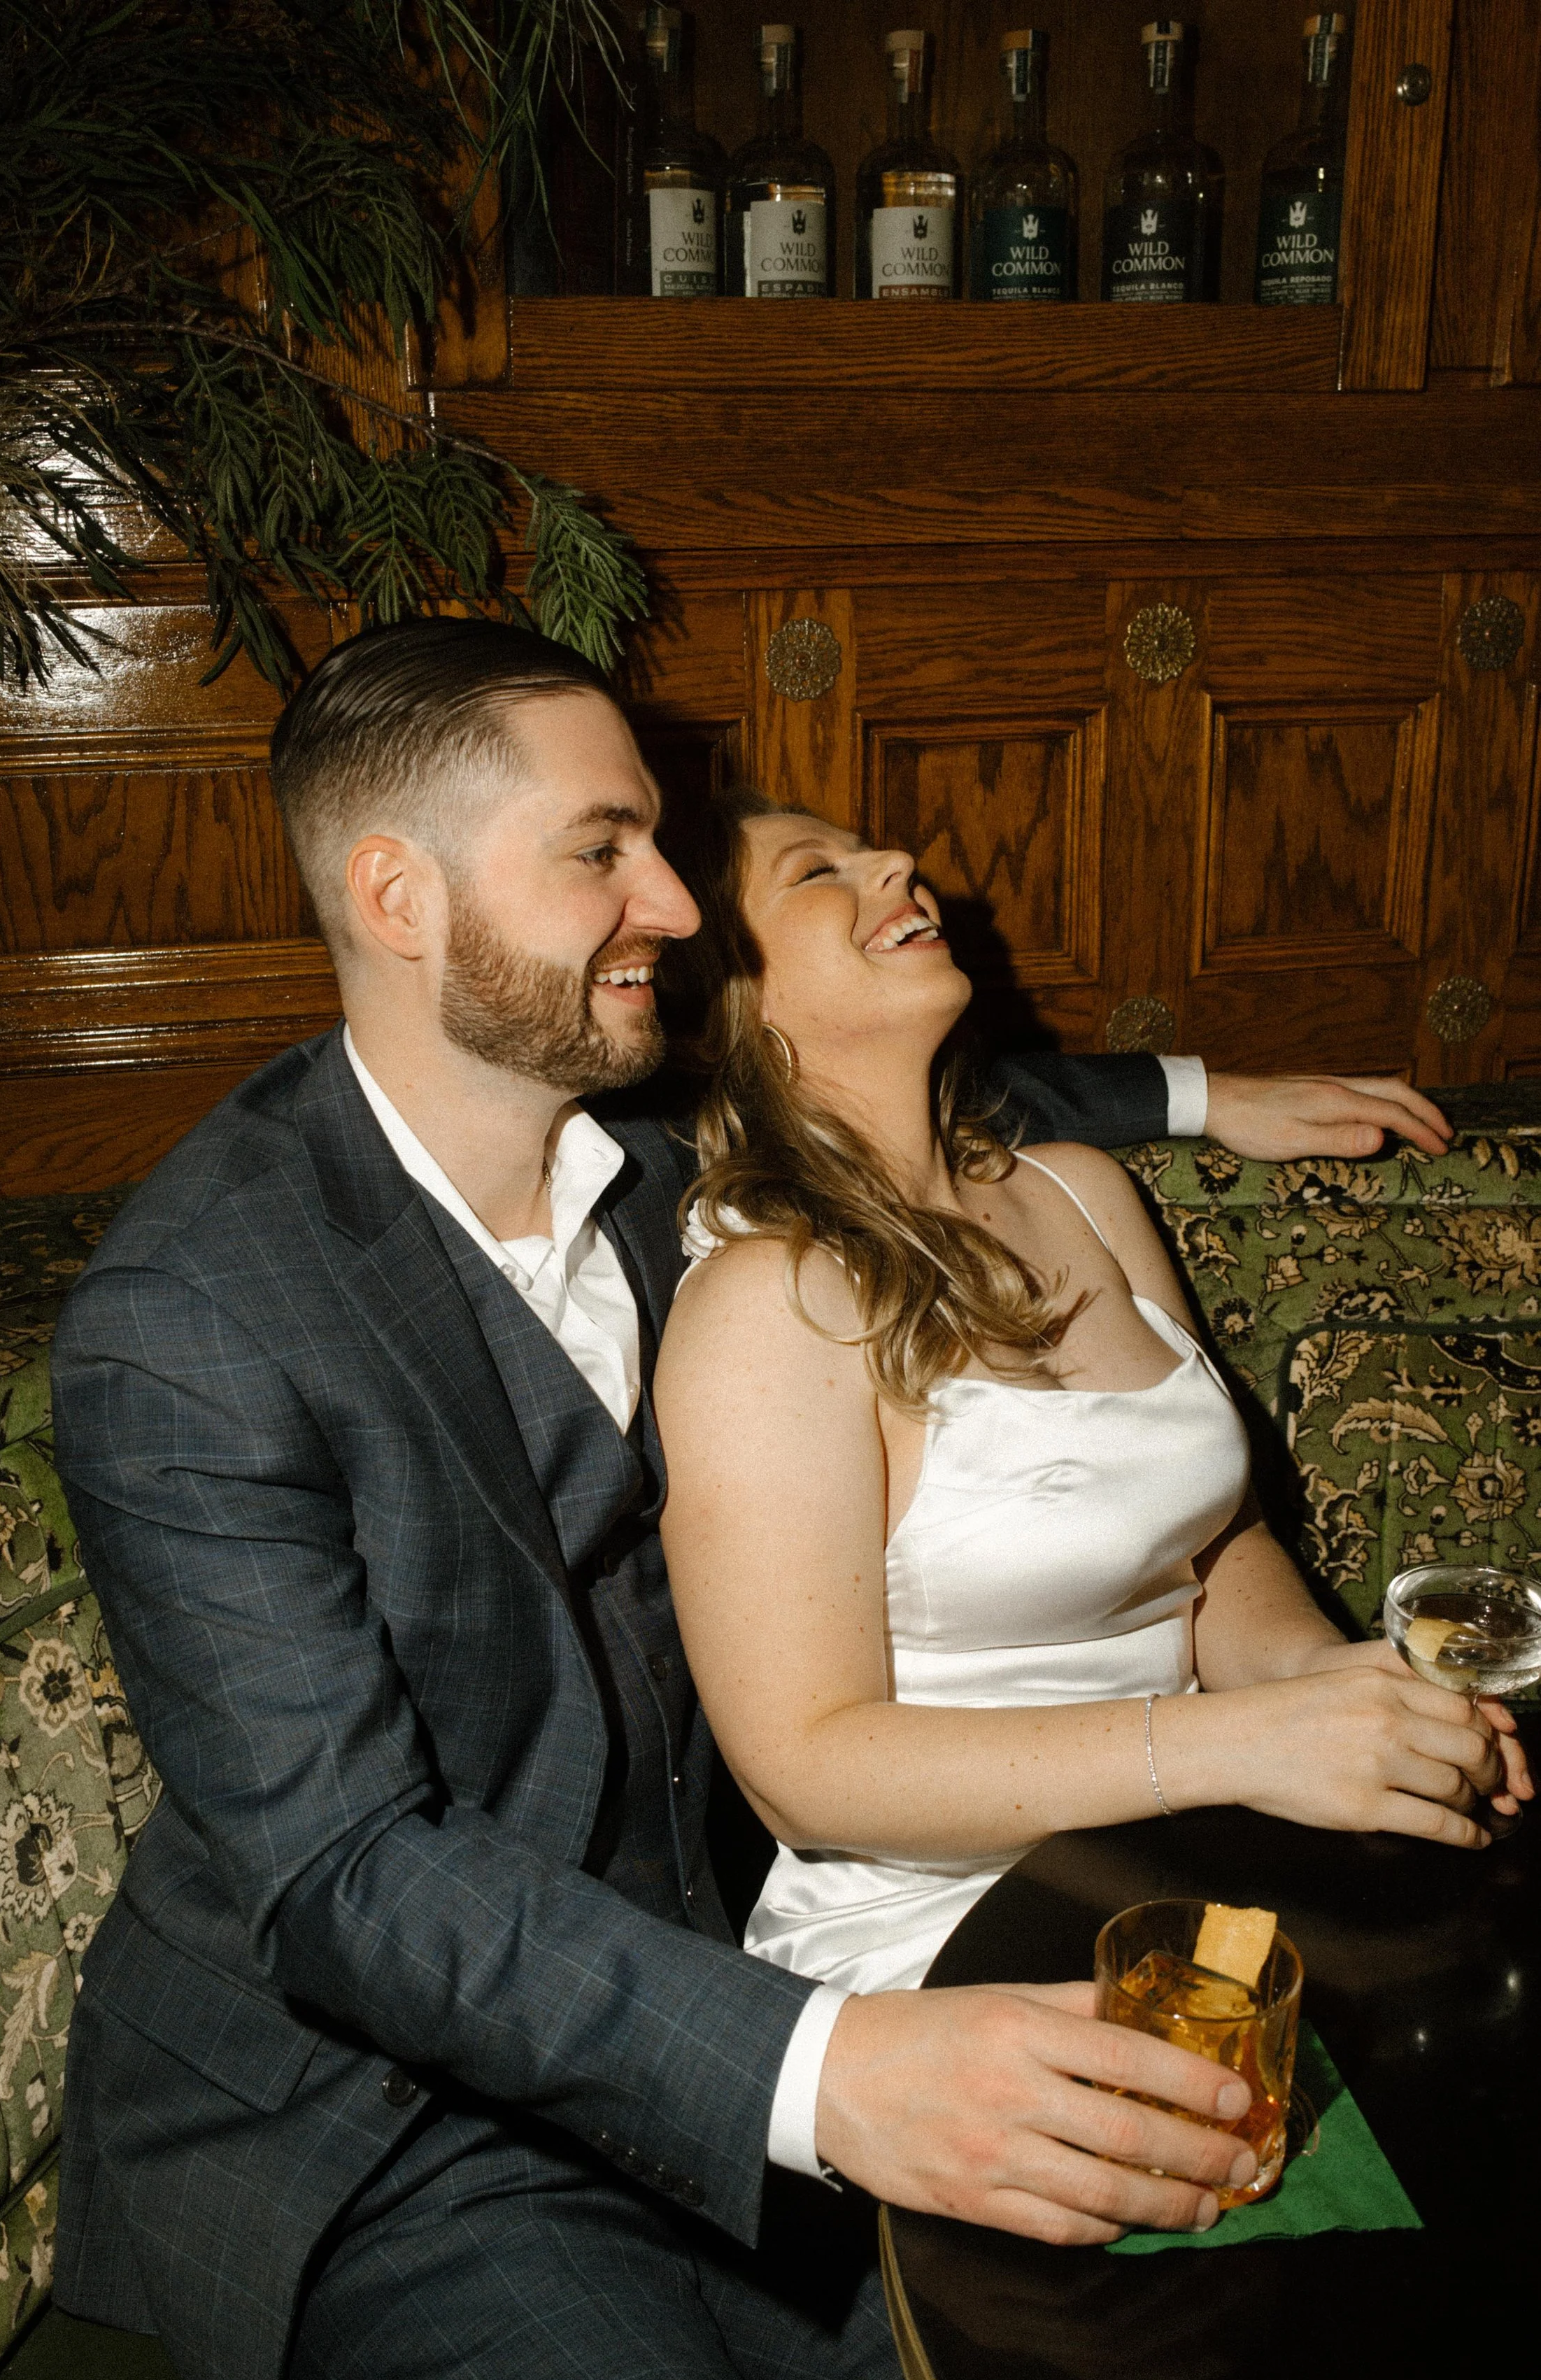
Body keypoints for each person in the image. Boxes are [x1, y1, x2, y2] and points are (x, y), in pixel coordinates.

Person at [51, 621, 1468, 2380]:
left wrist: (1200, 1089)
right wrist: (829, 2070)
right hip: (374, 2135)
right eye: (604, 852)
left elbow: (930, 1094)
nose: (664, 900)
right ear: (397, 891)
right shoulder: (191, 1319)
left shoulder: (652, 1161)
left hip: (701, 2029)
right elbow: (345, 1873)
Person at [654, 787, 1531, 2011]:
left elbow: (1210, 1548)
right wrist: (1250, 1747)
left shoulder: (1078, 1192)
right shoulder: (767, 1300)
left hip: (1187, 1861)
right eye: (817, 874)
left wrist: (1334, 1691)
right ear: (730, 1006)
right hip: (938, 1945)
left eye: (874, 851)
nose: (899, 860)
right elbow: (805, 1769)